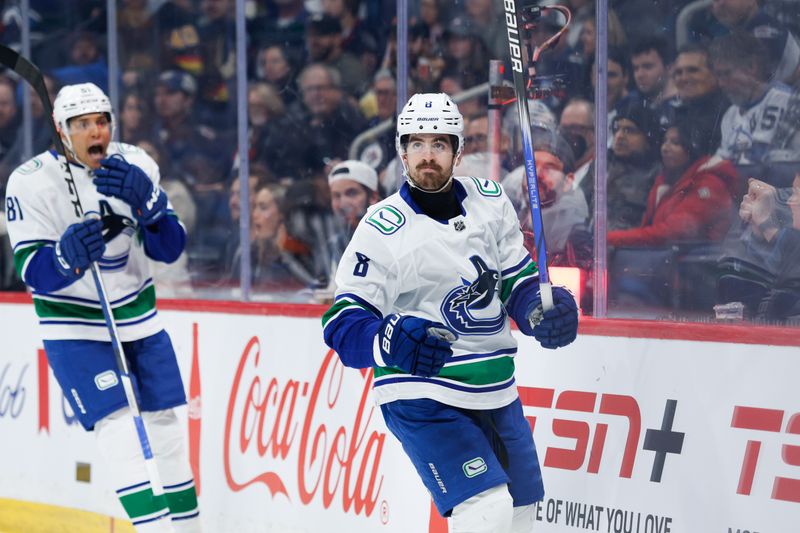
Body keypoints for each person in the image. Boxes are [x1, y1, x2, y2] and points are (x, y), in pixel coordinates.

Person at [322, 93, 579, 533]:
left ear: (458, 152)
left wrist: (539, 308)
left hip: (496, 387)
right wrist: (388, 340)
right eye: (416, 144)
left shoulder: (491, 200)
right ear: (402, 152)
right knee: (485, 509)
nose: (427, 156)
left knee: (521, 515)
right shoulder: (381, 227)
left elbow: (515, 280)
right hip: (422, 391)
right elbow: (342, 323)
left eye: (439, 144)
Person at [3, 83, 200, 531]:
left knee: (166, 423)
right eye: (82, 124)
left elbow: (169, 250)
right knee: (116, 428)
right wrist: (64, 258)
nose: (97, 131)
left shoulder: (135, 164)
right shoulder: (30, 180)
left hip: (139, 318)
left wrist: (149, 206)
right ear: (60, 129)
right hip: (73, 328)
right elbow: (32, 271)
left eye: (102, 120)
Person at [327, 159, 381, 271]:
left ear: (373, 197)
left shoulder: (390, 238)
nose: (343, 203)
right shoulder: (338, 241)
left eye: (351, 193)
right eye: (336, 196)